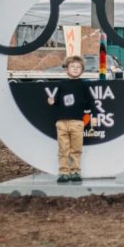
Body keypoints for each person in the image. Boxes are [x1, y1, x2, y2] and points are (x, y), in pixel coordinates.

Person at [46, 55, 96, 184]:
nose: (75, 69)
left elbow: (91, 102)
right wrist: (51, 101)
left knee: (76, 148)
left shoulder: (84, 85)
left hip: (77, 123)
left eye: (78, 67)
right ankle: (63, 172)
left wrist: (94, 116)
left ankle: (75, 172)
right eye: (72, 67)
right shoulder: (62, 85)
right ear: (66, 69)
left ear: (82, 70)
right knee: (63, 149)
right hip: (61, 122)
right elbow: (56, 100)